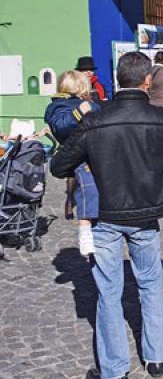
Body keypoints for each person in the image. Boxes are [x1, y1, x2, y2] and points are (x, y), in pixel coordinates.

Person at [50, 52, 163, 379]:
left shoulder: (96, 120)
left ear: (116, 80)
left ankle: (114, 373)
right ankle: (156, 359)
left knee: (108, 293)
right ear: (145, 82)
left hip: (106, 217)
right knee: (150, 284)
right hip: (145, 215)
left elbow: (59, 165)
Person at [45, 70, 101, 256]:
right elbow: (61, 126)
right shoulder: (59, 106)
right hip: (77, 154)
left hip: (94, 150)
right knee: (87, 186)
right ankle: (85, 232)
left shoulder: (88, 103)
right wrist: (79, 113)